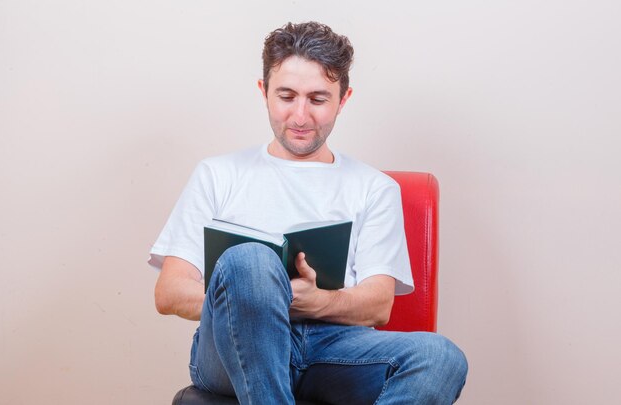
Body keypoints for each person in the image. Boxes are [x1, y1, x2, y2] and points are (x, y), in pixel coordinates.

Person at [150, 21, 467, 404]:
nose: (300, 117)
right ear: (263, 92)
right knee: (250, 261)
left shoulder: (374, 188)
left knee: (441, 357)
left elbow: (379, 304)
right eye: (286, 96)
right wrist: (254, 299)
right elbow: (169, 292)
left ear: (343, 99)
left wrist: (316, 301)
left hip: (333, 346)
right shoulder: (217, 174)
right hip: (232, 348)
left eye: (318, 99)